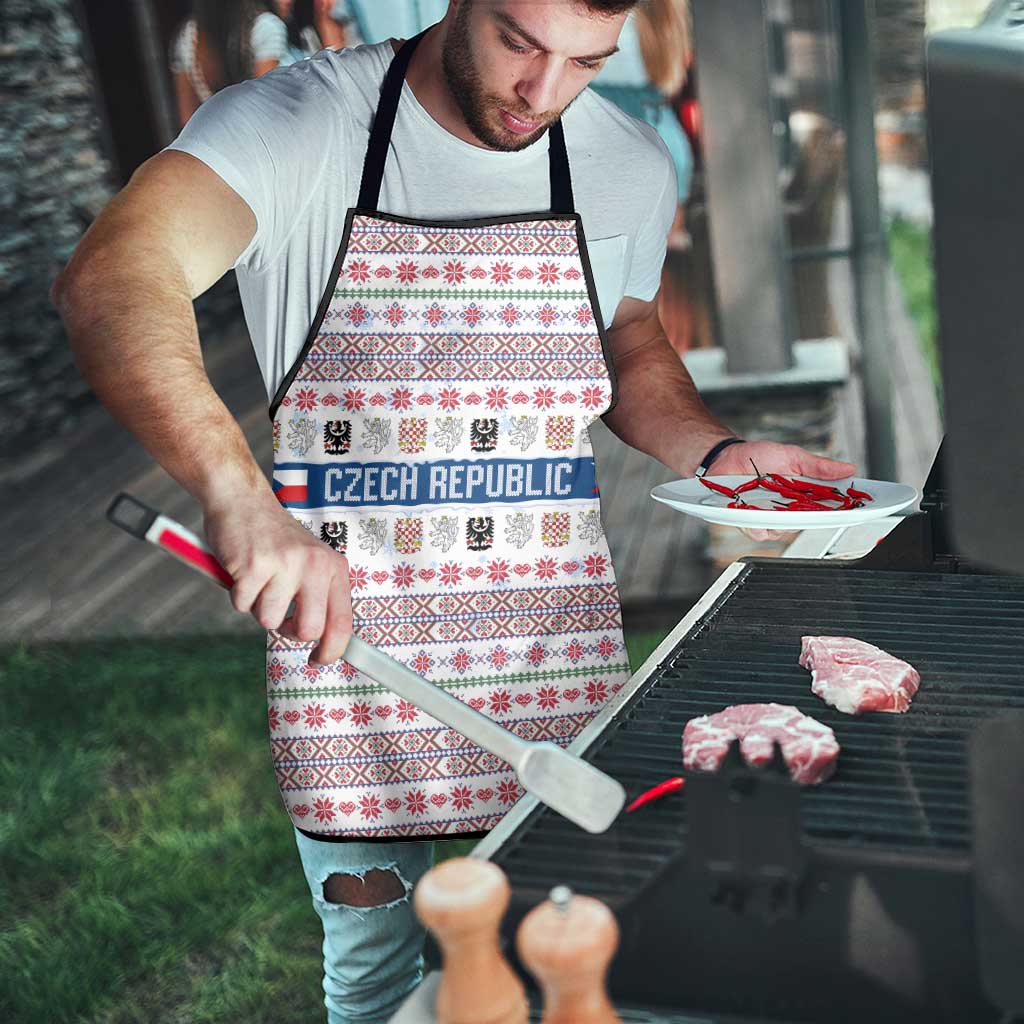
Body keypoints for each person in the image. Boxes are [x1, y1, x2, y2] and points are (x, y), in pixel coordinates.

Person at [53, 2, 856, 1020]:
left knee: (567, 955)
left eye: (585, 62)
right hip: (349, 656)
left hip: (549, 643)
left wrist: (718, 448)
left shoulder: (624, 160)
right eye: (521, 42)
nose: (543, 93)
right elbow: (113, 275)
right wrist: (237, 496)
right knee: (379, 976)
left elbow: (628, 340)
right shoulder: (298, 125)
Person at [169, 0, 288, 127]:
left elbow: (187, 120)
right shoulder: (266, 27)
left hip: (215, 140)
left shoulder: (188, 37)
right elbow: (266, 107)